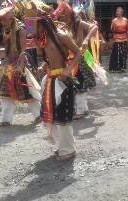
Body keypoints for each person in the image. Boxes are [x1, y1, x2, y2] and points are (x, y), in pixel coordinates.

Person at [37, 13, 81, 160]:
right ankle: (61, 146)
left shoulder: (61, 35)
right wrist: (44, 65)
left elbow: (79, 53)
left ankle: (68, 150)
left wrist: (67, 71)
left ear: (42, 24)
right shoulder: (43, 38)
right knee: (52, 116)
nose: (30, 30)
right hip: (50, 79)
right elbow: (52, 56)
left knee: (62, 115)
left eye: (32, 25)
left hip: (63, 80)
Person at [0, 0, 40, 127]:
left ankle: (39, 115)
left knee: (27, 92)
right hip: (8, 65)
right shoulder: (6, 30)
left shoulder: (21, 29)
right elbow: (8, 50)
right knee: (5, 93)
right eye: (1, 19)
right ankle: (5, 120)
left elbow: (24, 50)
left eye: (4, 19)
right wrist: (0, 51)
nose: (2, 22)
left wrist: (20, 66)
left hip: (20, 65)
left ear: (11, 17)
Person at [53, 0, 98, 119]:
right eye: (60, 15)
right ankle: (78, 109)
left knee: (80, 84)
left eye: (64, 14)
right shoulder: (61, 25)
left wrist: (85, 41)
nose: (62, 16)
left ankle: (81, 110)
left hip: (80, 57)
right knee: (72, 85)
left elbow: (94, 27)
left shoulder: (78, 22)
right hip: (69, 58)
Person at [109, 7, 128, 72]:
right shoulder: (114, 20)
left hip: (124, 37)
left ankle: (122, 67)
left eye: (119, 11)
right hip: (117, 37)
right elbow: (112, 30)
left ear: (122, 12)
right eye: (117, 11)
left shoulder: (125, 20)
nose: (117, 12)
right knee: (116, 53)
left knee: (123, 53)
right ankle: (115, 67)